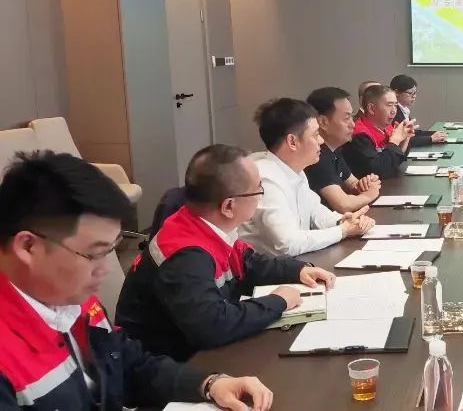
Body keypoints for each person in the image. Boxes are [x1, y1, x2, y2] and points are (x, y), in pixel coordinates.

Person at [0, 151, 274, 410]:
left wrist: (209, 384)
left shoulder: (68, 298)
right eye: (94, 254)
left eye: (110, 251)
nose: (105, 269)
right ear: (28, 247)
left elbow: (130, 365)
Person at [116, 144, 338, 361]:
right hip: (167, 361)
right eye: (258, 190)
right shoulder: (187, 256)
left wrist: (298, 270)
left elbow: (248, 262)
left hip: (196, 347)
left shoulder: (205, 223)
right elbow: (212, 325)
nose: (260, 197)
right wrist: (278, 301)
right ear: (229, 206)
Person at [240, 98, 375, 257]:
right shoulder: (265, 178)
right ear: (292, 142)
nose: (321, 141)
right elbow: (287, 244)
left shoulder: (294, 170)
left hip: (294, 263)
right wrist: (342, 231)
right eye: (316, 135)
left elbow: (316, 212)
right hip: (265, 270)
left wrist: (344, 220)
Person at [305, 87, 382, 213]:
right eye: (346, 118)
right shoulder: (317, 156)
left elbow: (352, 183)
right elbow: (343, 205)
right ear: (323, 122)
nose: (353, 124)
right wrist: (369, 195)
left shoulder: (334, 149)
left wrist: (365, 183)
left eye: (352, 117)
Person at [343, 83, 416, 179]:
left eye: (395, 105)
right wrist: (395, 141)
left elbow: (393, 161)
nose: (394, 111)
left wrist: (404, 140)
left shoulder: (387, 127)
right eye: (389, 105)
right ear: (371, 108)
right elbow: (377, 170)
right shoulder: (360, 135)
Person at [389, 74, 447, 147]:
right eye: (410, 93)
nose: (414, 96)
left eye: (415, 93)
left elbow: (412, 133)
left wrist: (435, 133)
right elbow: (404, 140)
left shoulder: (403, 109)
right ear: (396, 92)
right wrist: (430, 138)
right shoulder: (394, 112)